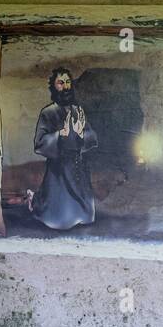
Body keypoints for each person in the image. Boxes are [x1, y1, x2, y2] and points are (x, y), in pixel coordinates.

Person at [30, 68, 98, 230]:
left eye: (68, 82)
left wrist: (82, 133)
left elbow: (92, 138)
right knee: (57, 217)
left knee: (86, 216)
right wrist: (60, 134)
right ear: (54, 87)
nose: (65, 86)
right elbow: (39, 143)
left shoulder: (78, 111)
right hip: (58, 172)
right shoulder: (48, 112)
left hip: (77, 169)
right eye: (61, 83)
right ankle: (36, 202)